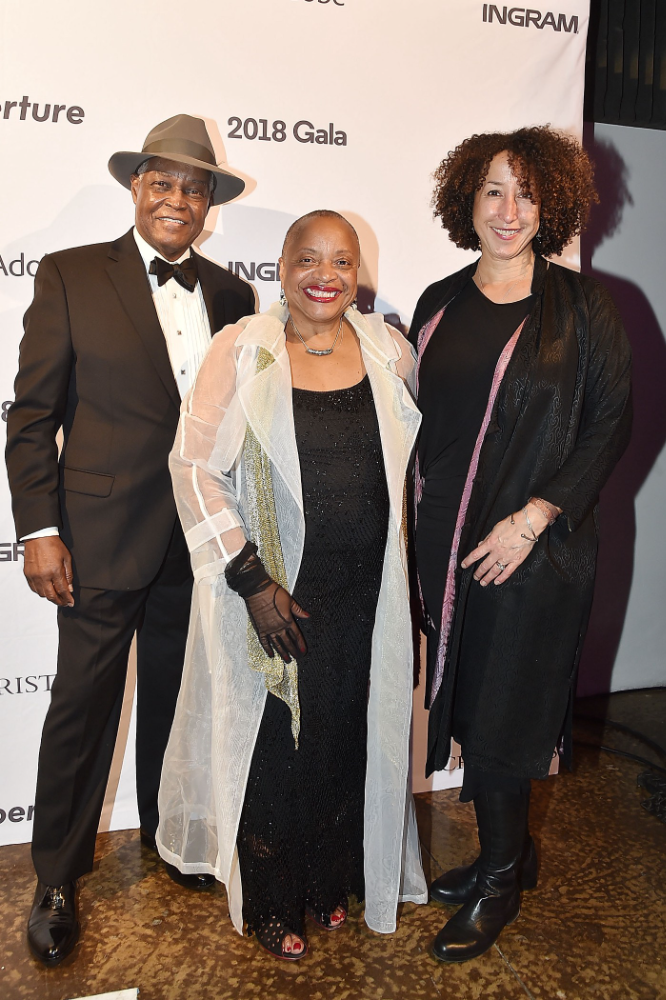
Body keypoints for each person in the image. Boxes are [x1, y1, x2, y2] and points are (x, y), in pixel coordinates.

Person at [5, 114, 255, 966]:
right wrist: (39, 529)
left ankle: (170, 839)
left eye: (194, 186)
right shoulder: (73, 274)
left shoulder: (233, 296)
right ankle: (56, 877)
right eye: (161, 181)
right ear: (136, 187)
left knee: (182, 702)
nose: (177, 198)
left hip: (197, 544)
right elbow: (31, 418)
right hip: (100, 534)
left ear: (210, 202)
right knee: (81, 711)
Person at [156, 210, 427, 960]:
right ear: (280, 265)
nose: (325, 275)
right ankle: (276, 901)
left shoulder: (387, 349)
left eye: (342, 261)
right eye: (309, 258)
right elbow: (193, 467)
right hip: (274, 593)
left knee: (344, 738)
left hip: (364, 594)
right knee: (277, 745)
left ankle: (326, 882)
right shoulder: (241, 349)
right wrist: (249, 577)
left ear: (357, 274)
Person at [409, 127, 632, 963]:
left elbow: (612, 425)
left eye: (527, 194)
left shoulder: (584, 307)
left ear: (554, 206)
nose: (509, 211)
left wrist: (536, 516)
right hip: (445, 539)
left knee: (506, 707)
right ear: (466, 199)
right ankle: (513, 853)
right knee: (465, 699)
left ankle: (500, 877)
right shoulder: (438, 301)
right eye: (494, 192)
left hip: (533, 545)